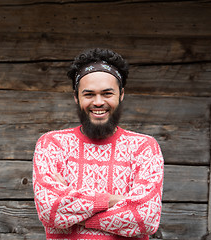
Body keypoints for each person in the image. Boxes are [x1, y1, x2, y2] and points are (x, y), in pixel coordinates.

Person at [32, 48, 164, 239]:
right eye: (89, 94)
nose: (98, 102)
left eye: (107, 93)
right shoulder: (52, 144)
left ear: (121, 94)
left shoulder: (144, 148)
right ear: (76, 97)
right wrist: (115, 201)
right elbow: (50, 211)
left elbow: (146, 219)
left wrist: (74, 207)